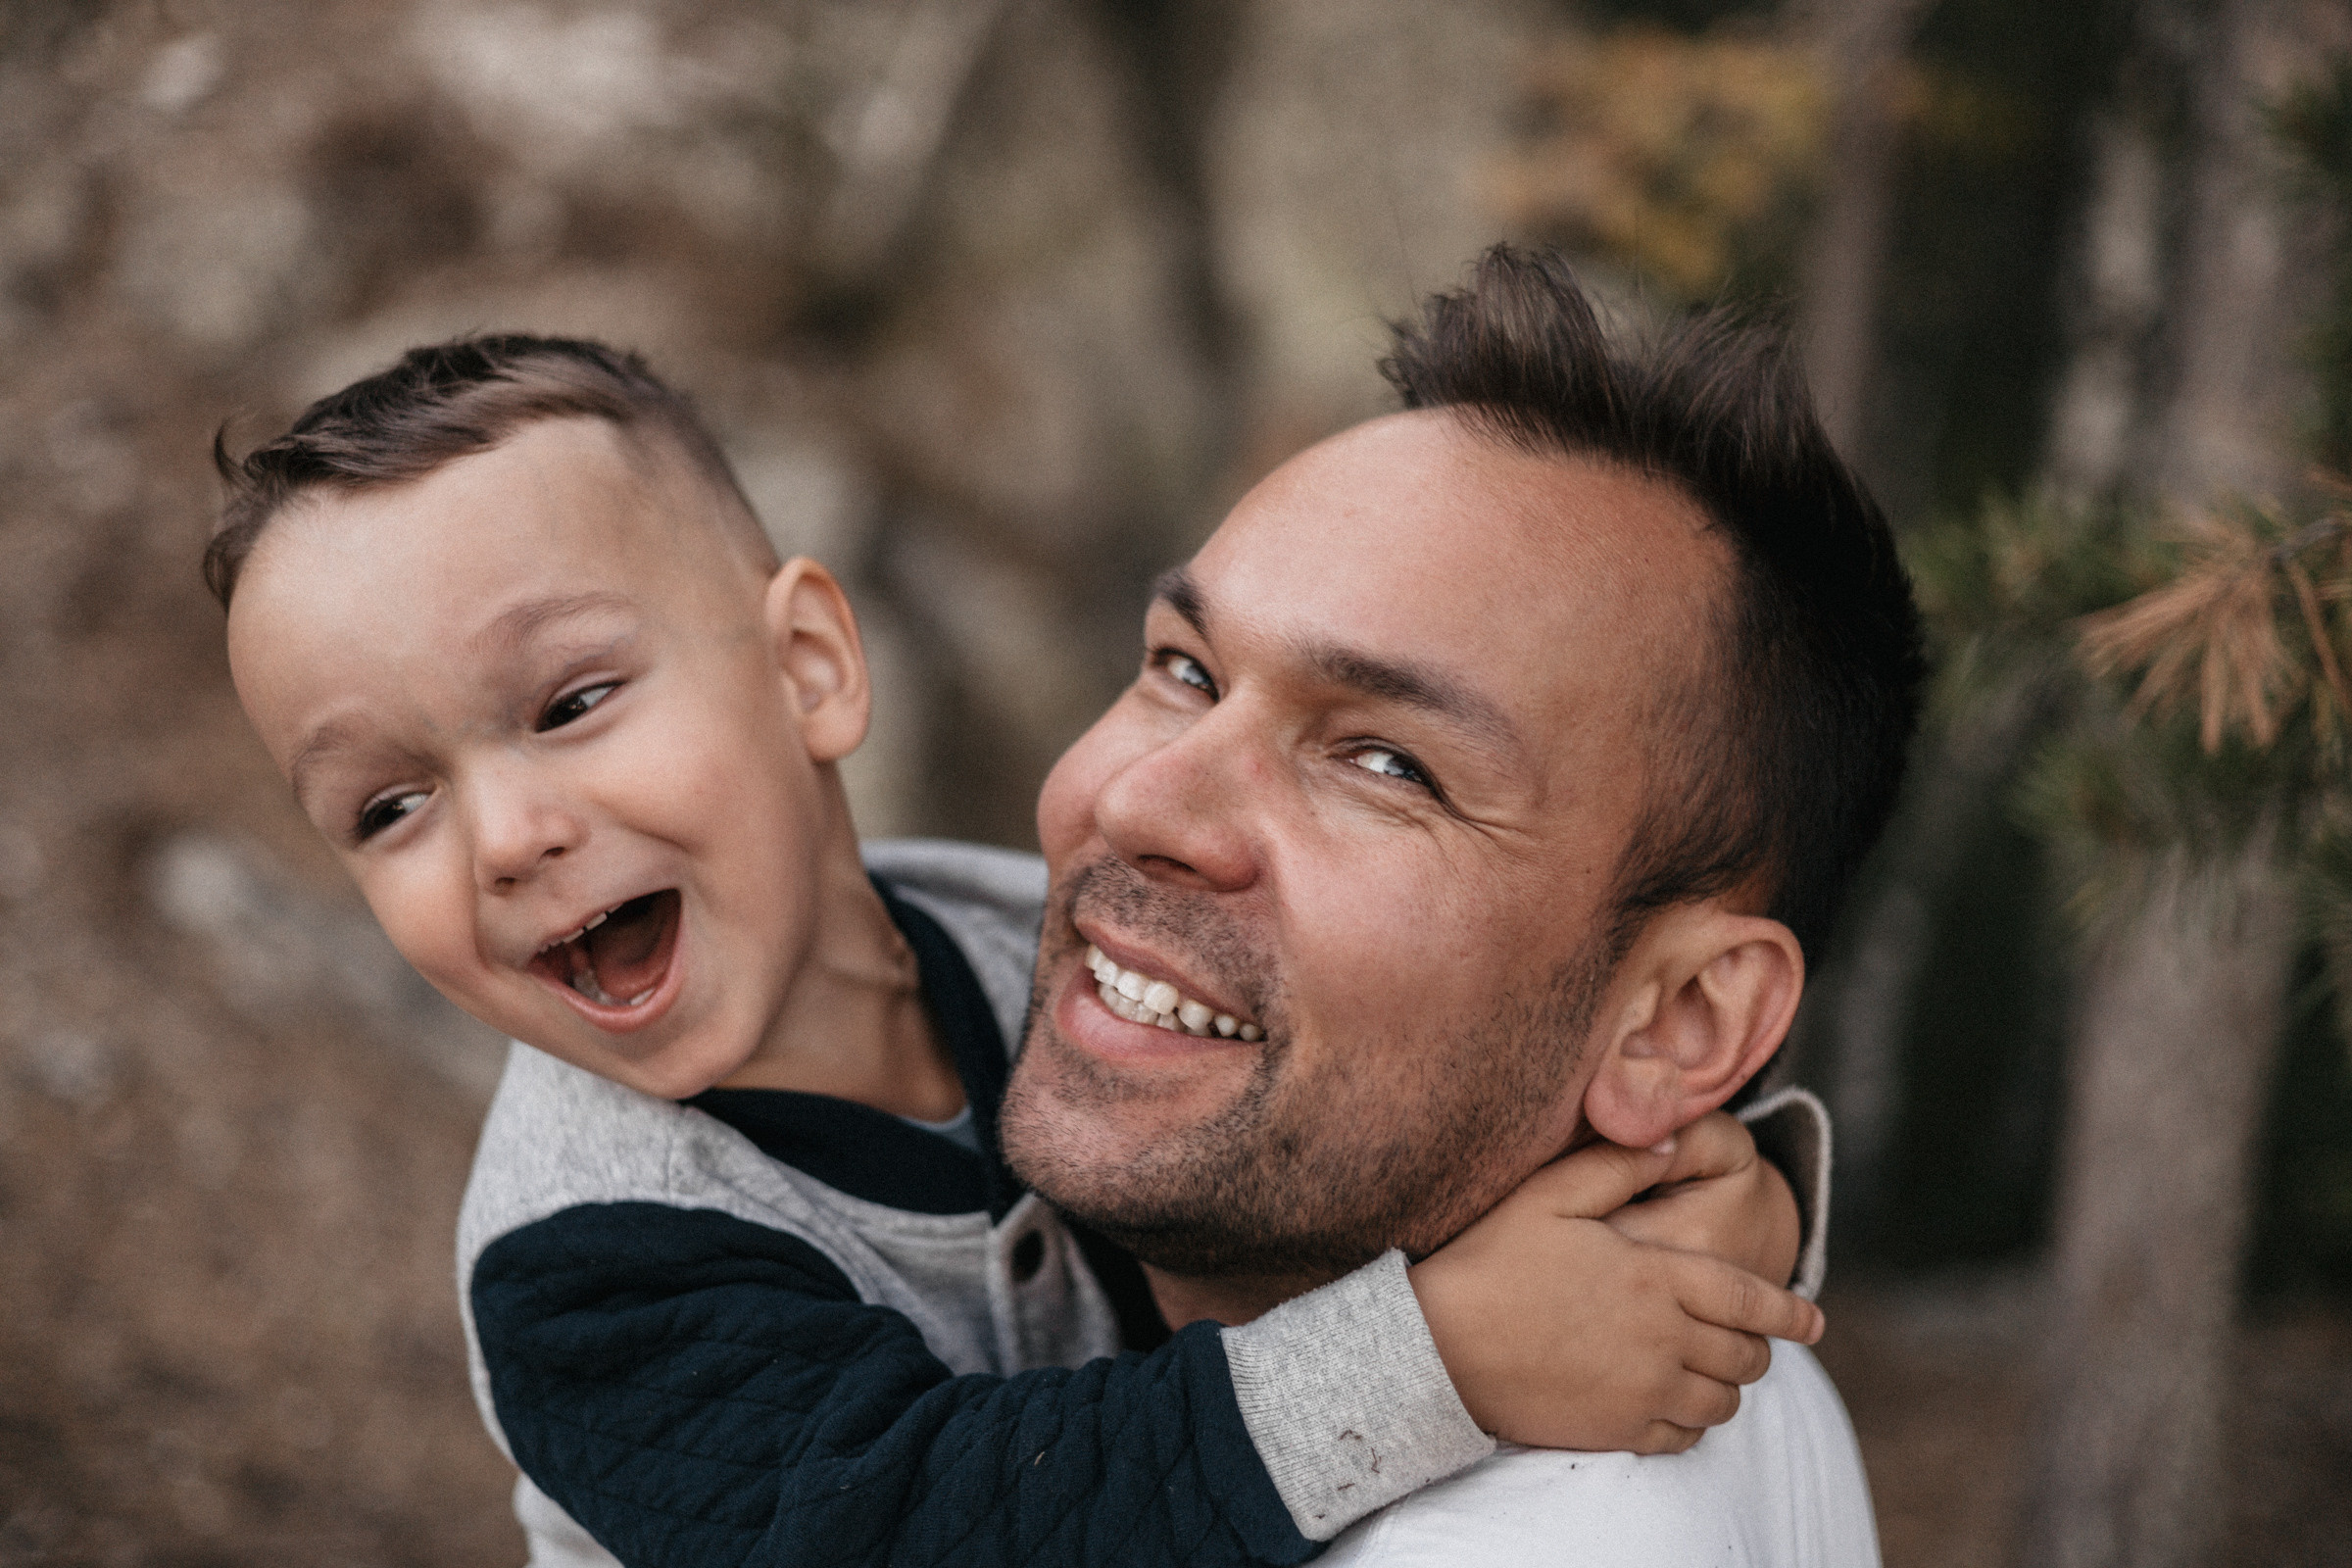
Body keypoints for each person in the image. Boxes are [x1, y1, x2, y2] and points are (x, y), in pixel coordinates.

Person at [207, 332, 1832, 1568]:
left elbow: (1395, 1119)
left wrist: (1695, 1190)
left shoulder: (1017, 942)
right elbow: (930, 1523)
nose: (504, 838)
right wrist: (1439, 1361)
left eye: (570, 707)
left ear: (811, 671)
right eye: (389, 806)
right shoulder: (591, 1267)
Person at [996, 244, 1924, 1565]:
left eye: (1386, 764)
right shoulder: (1679, 1349)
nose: (1141, 806)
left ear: (1681, 1023)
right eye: (1186, 671)